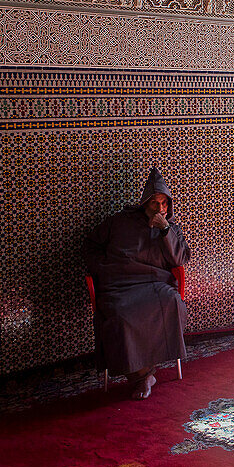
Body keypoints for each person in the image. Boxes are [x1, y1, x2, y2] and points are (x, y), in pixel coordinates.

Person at [85, 167, 191, 399]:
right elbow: (90, 245)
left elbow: (179, 259)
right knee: (120, 315)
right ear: (144, 202)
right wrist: (103, 269)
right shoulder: (119, 222)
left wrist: (165, 230)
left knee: (171, 301)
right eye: (155, 203)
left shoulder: (170, 228)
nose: (160, 209)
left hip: (154, 283)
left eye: (164, 204)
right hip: (120, 284)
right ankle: (143, 376)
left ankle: (145, 374)